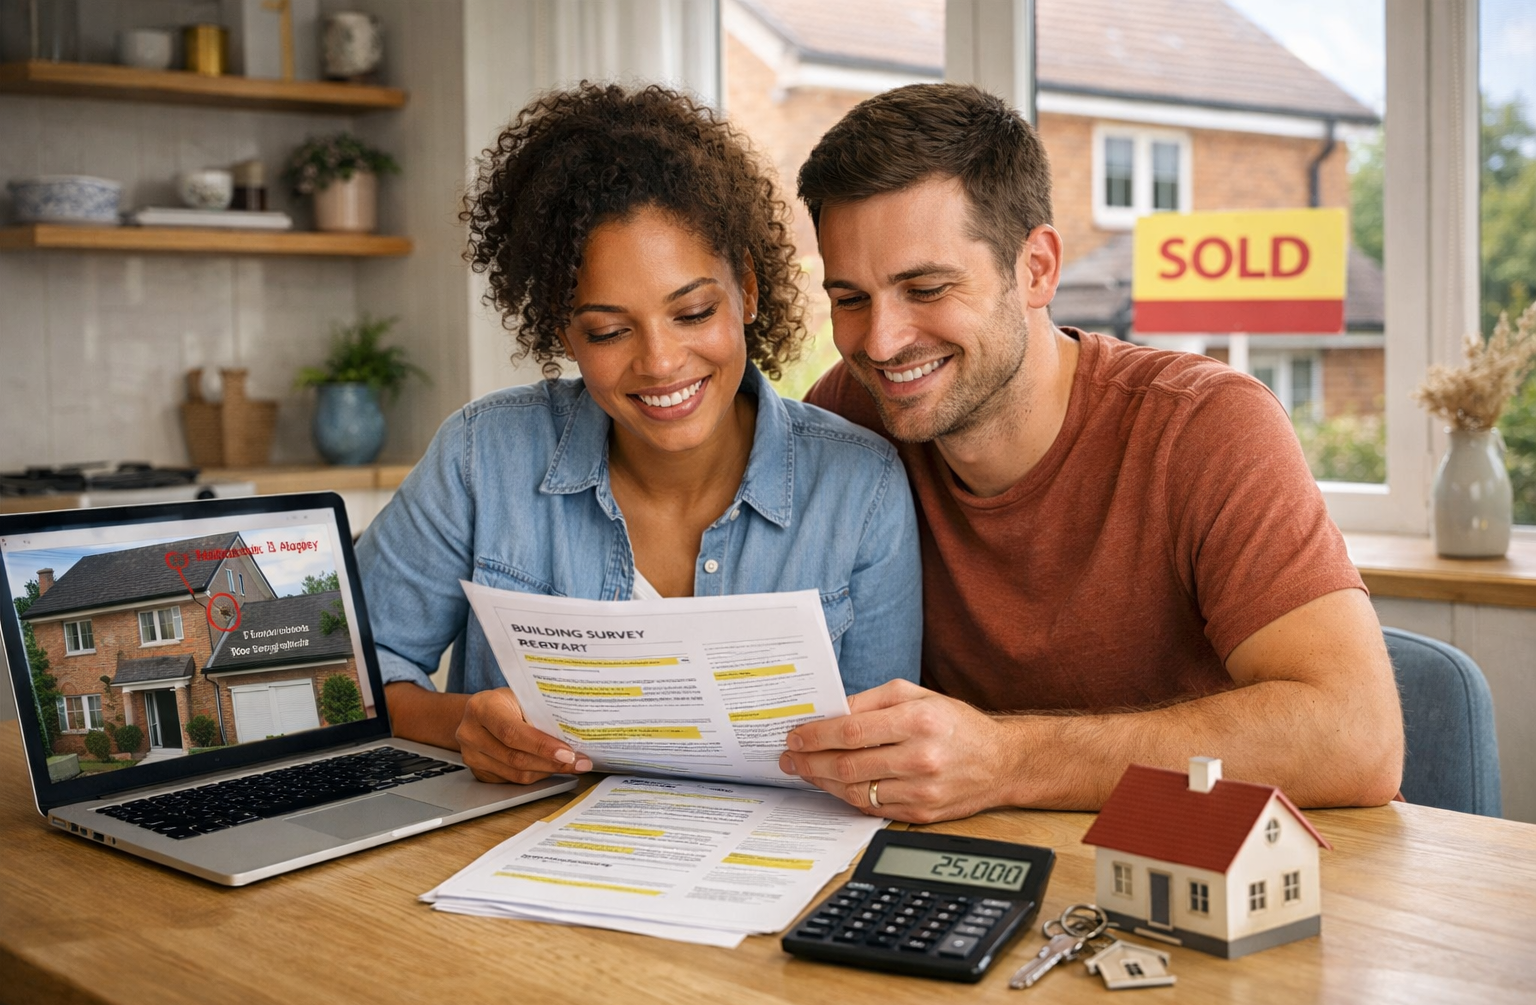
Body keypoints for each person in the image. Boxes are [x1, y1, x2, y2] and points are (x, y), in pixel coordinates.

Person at [778, 83, 1403, 822]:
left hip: (1194, 874)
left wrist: (1007, 761)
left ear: (1037, 268)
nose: (881, 343)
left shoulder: (1205, 426)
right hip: (968, 879)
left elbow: (1357, 738)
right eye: (850, 299)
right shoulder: (849, 416)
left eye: (926, 287)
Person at [356, 83, 921, 785]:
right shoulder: (483, 457)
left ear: (746, 288)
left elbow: (882, 756)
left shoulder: (861, 488)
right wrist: (461, 722)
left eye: (692, 313)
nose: (659, 363)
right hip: (513, 864)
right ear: (563, 330)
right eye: (609, 330)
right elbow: (347, 678)